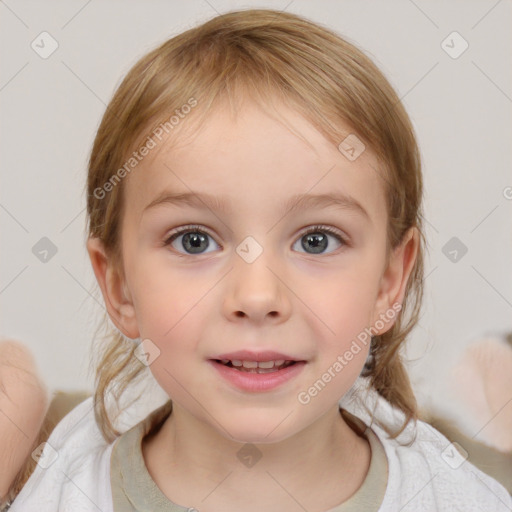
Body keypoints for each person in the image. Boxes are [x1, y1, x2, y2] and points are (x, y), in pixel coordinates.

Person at [8, 8, 512, 511]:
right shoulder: (59, 496)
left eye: (317, 240)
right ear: (119, 286)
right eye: (194, 241)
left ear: (388, 283)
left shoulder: (461, 500)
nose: (256, 297)